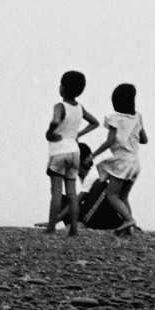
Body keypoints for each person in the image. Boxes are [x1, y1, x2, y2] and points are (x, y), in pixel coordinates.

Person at [44, 70, 100, 235]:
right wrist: (78, 135)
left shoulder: (60, 106)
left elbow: (55, 120)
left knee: (55, 191)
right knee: (72, 191)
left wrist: (50, 132)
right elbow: (94, 122)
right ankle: (74, 228)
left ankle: (51, 227)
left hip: (59, 151)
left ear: (62, 88)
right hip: (74, 151)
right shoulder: (80, 108)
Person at [89, 83, 146, 236]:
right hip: (135, 162)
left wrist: (93, 155)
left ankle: (128, 220)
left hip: (122, 162)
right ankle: (129, 227)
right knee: (123, 196)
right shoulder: (138, 117)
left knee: (111, 195)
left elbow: (109, 142)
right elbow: (144, 139)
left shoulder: (114, 119)